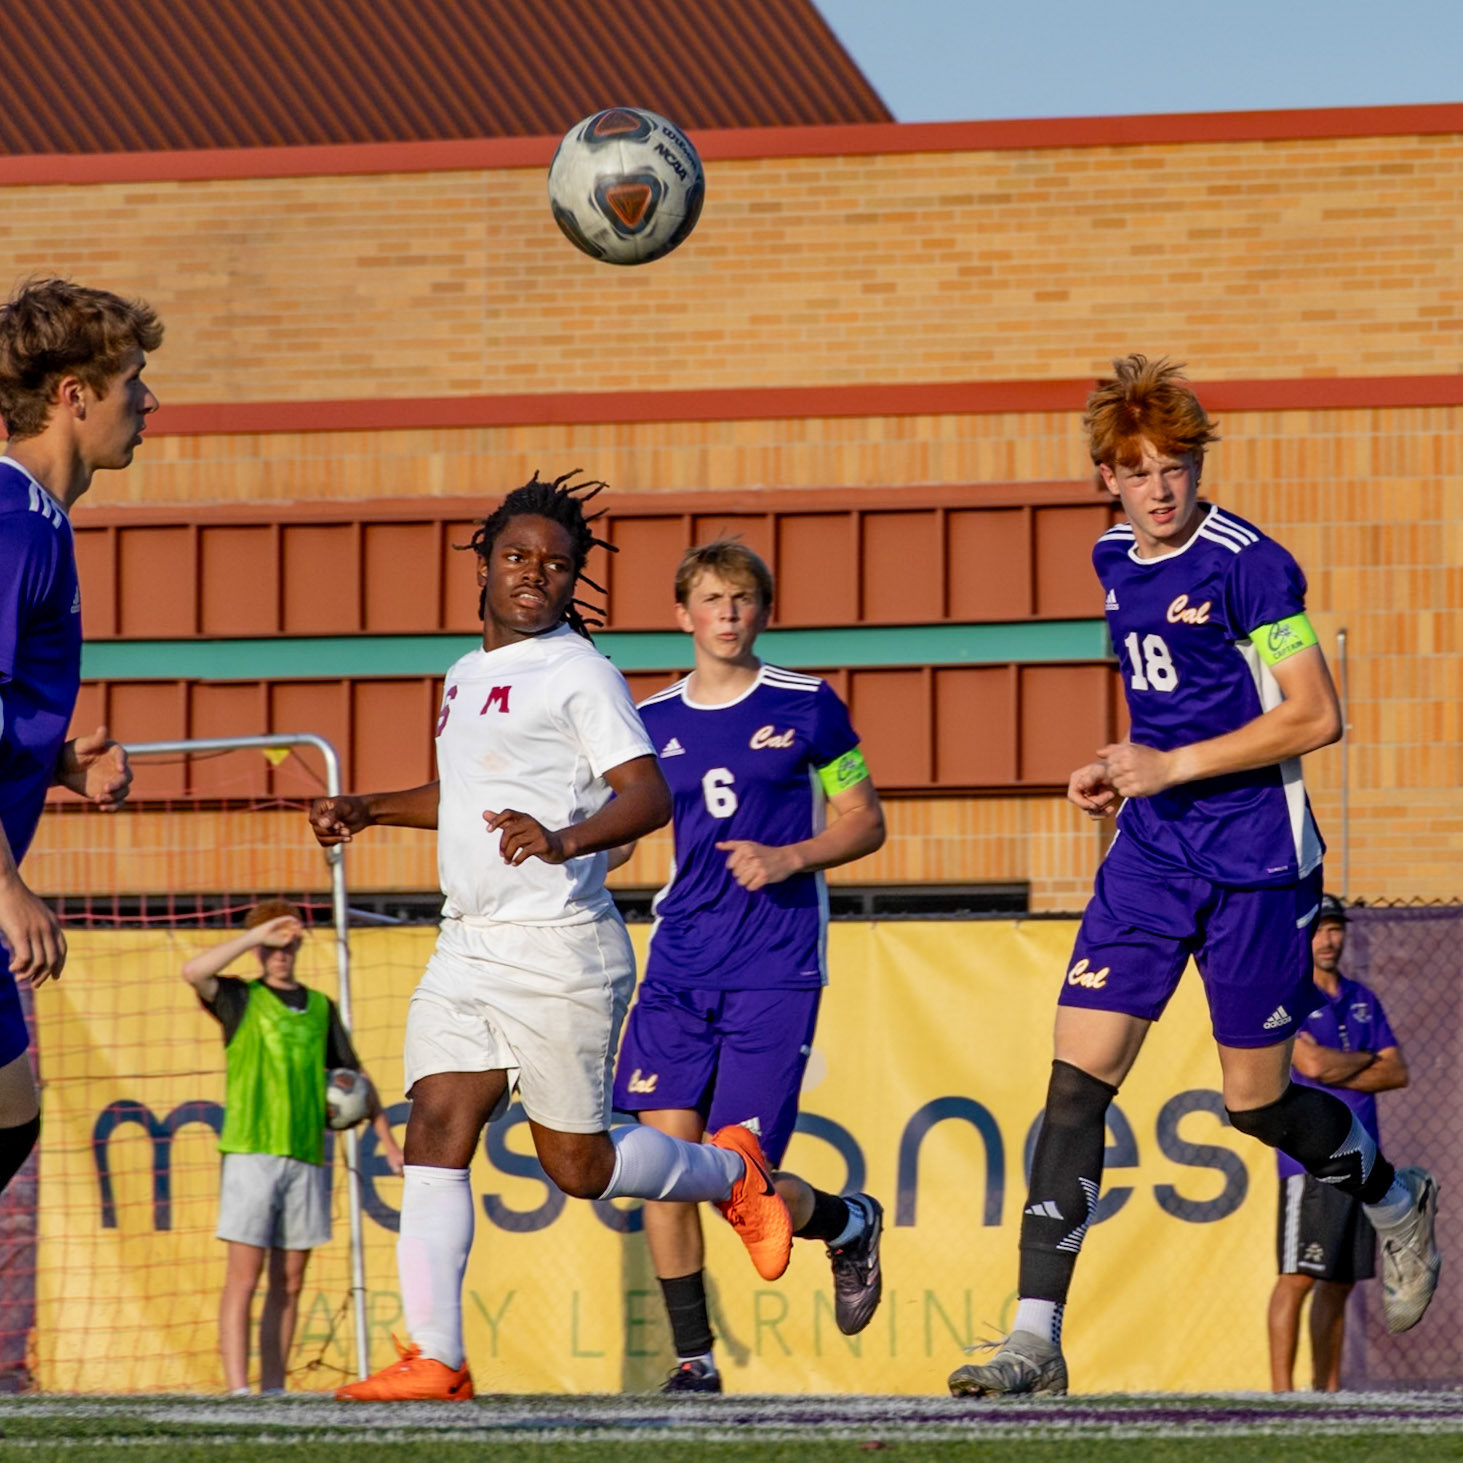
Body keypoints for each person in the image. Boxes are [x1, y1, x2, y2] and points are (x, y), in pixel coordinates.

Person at [949, 355, 1440, 1399]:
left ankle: (1394, 1194)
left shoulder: (1249, 564)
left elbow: (1315, 714)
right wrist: (1119, 764)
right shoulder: (1110, 558)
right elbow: (1170, 706)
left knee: (1254, 1101)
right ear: (1105, 479)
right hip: (1150, 856)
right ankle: (1033, 1335)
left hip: (1258, 863)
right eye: (1138, 468)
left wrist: (1169, 763)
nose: (1160, 485)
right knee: (1074, 1082)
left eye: (1175, 464)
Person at [306, 472, 793, 1402]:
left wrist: (564, 839)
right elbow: (463, 797)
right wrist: (368, 805)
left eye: (556, 563)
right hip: (466, 942)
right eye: (518, 556)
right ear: (482, 563)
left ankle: (732, 1171)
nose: (535, 572)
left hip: (558, 942)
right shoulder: (461, 675)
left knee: (580, 1166)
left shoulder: (579, 670)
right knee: (436, 1128)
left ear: (575, 581)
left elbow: (647, 794)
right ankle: (438, 1358)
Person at [608, 539, 887, 1394]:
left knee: (740, 1175)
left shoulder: (808, 706)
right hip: (678, 965)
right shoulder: (648, 721)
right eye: (712, 599)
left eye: (742, 599)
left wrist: (790, 855)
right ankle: (693, 1360)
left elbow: (864, 820)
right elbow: (618, 834)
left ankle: (846, 1221)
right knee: (661, 1167)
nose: (727, 613)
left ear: (763, 611)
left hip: (774, 965)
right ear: (682, 614)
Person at [0, 278, 161, 1195]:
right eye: (133, 379)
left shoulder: (40, 524)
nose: (147, 400)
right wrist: (9, 888)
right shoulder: (14, 521)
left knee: (12, 1114)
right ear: (74, 397)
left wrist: (51, 762)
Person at [184, 899, 404, 1395]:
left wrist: (387, 1140)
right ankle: (240, 1390)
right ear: (260, 949)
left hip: (307, 1154)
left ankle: (274, 1390)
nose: (281, 952)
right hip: (251, 1151)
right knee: (244, 1276)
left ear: (300, 944)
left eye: (288, 942)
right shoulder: (239, 998)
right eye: (271, 944)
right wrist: (256, 935)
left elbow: (356, 1079)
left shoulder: (320, 1007)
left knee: (291, 1280)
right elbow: (192, 970)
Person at [1268, 894, 1408, 1392]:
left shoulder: (1362, 996)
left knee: (1340, 1281)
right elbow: (1312, 1067)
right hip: (1310, 1160)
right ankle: (1282, 1395)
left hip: (1363, 1159)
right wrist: (1365, 1062)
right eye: (1321, 930)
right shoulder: (1290, 994)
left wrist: (1341, 1065)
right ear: (1303, 936)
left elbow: (1399, 1072)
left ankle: (1326, 1392)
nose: (1330, 939)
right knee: (1298, 1276)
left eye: (1336, 929)